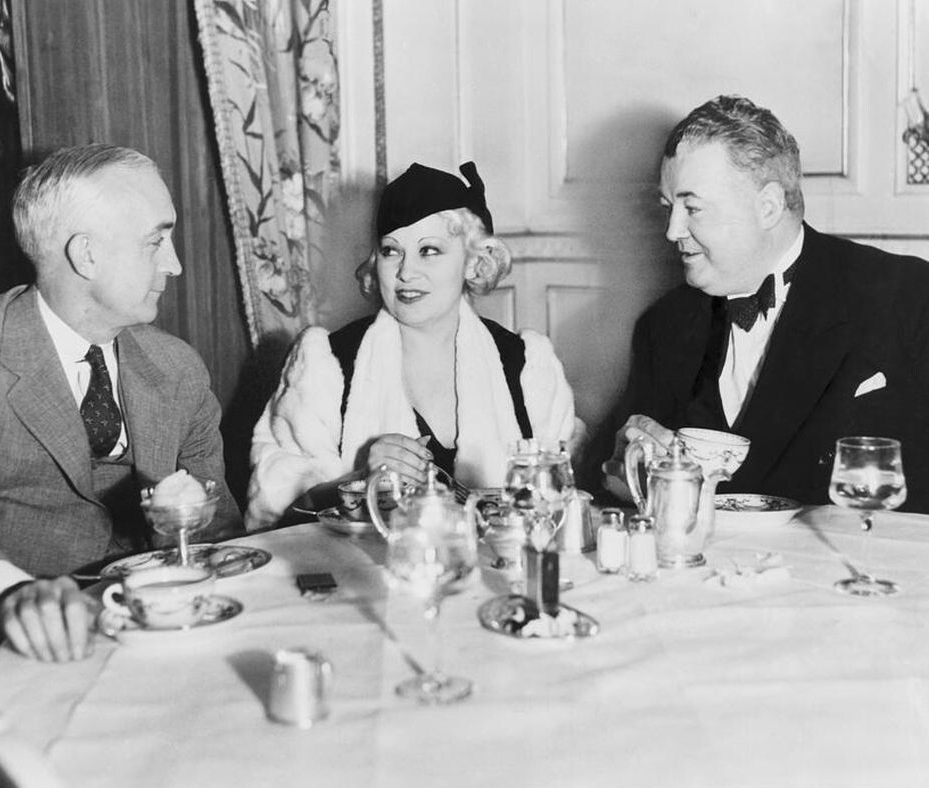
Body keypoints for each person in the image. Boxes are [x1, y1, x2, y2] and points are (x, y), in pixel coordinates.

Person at [0, 144, 244, 672]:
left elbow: (220, 536)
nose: (174, 265)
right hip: (17, 657)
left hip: (167, 649)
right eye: (156, 241)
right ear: (86, 255)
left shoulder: (179, 368)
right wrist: (9, 598)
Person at [603, 95, 929, 510]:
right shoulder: (662, 326)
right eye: (668, 208)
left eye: (692, 208)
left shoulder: (906, 296)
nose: (672, 230)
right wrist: (622, 472)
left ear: (769, 207)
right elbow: (617, 479)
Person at [247, 162, 578, 529]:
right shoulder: (326, 364)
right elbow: (273, 520)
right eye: (391, 251)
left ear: (474, 263)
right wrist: (358, 481)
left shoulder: (526, 366)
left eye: (429, 250)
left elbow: (560, 512)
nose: (405, 272)